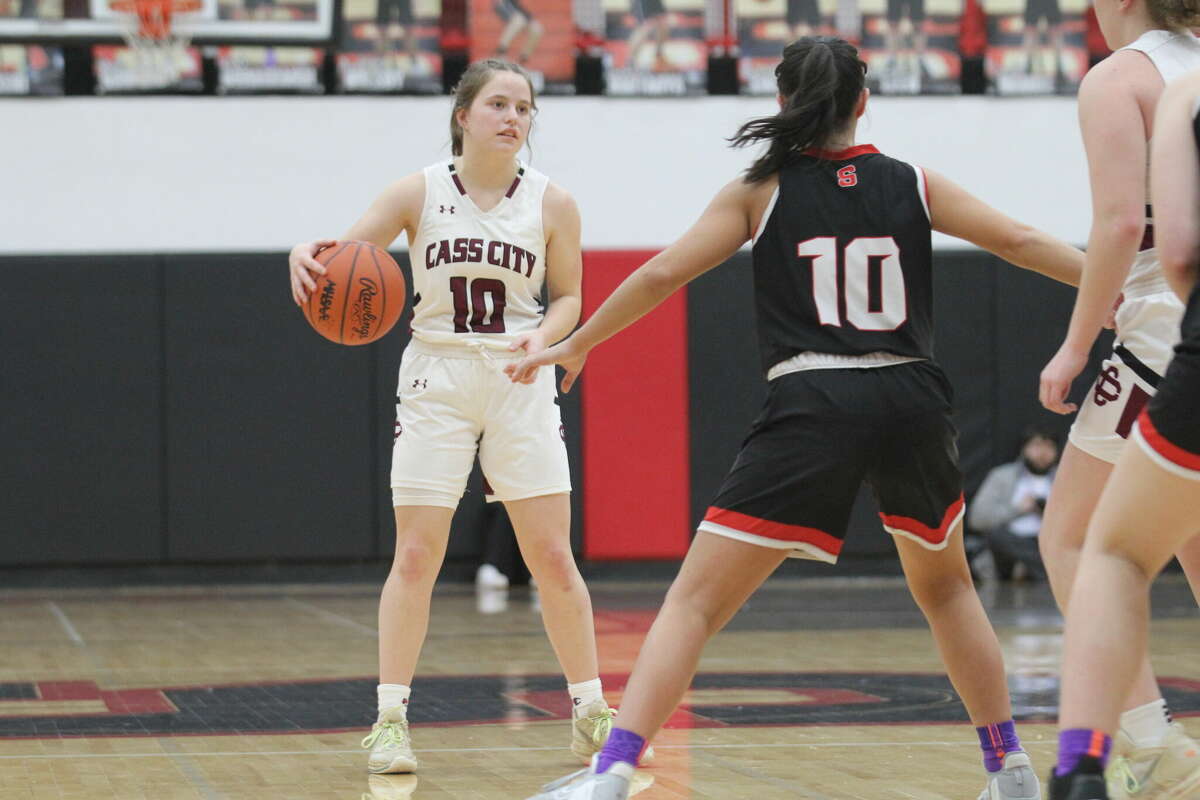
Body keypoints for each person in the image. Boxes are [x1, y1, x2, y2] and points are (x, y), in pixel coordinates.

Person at [510, 36, 1086, 800]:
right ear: (863, 103)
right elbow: (1019, 241)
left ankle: (613, 772)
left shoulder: (762, 188)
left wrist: (579, 343)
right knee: (948, 591)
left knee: (694, 601)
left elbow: (660, 273)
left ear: (783, 102)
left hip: (817, 398)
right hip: (913, 396)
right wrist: (1116, 286)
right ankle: (1010, 769)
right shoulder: (913, 180)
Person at [287, 58, 618, 775]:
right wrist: (300, 253)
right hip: (436, 375)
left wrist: (549, 332)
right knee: (416, 555)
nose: (513, 118)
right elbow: (343, 258)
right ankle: (389, 720)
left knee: (553, 557)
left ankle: (590, 711)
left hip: (519, 375)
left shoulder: (554, 203)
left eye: (525, 108)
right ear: (463, 115)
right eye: (499, 104)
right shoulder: (419, 190)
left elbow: (568, 296)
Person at [1035, 0, 1200, 793]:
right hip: (1176, 324)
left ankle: (1146, 742)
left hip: (1168, 332)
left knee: (1073, 540)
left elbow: (1115, 225)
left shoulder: (1120, 79)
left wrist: (1074, 345)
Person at [968, 426, 1060, 581]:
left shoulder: (1063, 478)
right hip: (1012, 542)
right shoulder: (1002, 476)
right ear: (1024, 448)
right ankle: (1042, 572)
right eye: (1037, 445)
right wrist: (1018, 509)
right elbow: (977, 519)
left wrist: (1048, 512)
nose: (1043, 453)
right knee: (996, 535)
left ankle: (1031, 569)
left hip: (1049, 541)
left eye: (1049, 446)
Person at [493, 0, 543, 66]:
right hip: (502, 5)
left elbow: (519, 7)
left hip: (516, 10)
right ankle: (501, 51)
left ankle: (523, 59)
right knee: (518, 20)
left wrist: (530, 19)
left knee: (537, 29)